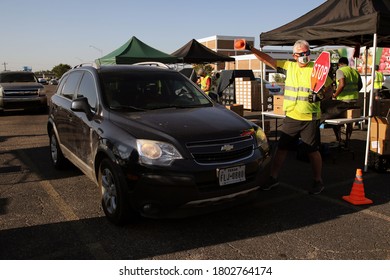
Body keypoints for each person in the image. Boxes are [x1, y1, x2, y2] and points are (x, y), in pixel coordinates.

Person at [247, 39, 333, 194]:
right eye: (301, 54)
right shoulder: (288, 66)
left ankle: (318, 181)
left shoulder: (317, 69)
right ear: (294, 55)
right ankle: (273, 178)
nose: (305, 56)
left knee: (312, 151)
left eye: (307, 53)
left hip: (310, 117)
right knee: (281, 148)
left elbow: (330, 90)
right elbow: (268, 60)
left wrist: (320, 96)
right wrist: (251, 49)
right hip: (292, 116)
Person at [332, 57, 362, 143]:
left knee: (336, 119)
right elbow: (360, 86)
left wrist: (335, 95)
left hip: (343, 100)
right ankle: (348, 139)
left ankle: (339, 139)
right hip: (354, 99)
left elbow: (341, 85)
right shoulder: (355, 71)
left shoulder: (340, 71)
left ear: (339, 64)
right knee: (350, 120)